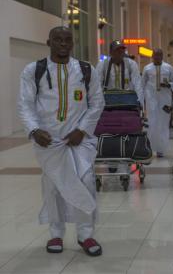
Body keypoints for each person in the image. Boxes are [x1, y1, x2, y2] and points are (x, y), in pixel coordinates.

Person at [17, 26, 104, 256]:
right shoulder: (33, 70)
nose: (63, 43)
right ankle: (56, 233)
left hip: (79, 141)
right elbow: (25, 104)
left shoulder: (86, 70)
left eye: (68, 40)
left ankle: (86, 234)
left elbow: (97, 103)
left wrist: (83, 130)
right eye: (58, 39)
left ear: (72, 43)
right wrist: (35, 130)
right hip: (49, 141)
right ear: (49, 42)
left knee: (85, 181)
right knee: (53, 187)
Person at [141, 48, 173, 158]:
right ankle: (150, 147)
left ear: (162, 56)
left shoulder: (168, 68)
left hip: (165, 99)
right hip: (151, 99)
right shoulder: (147, 68)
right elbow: (142, 85)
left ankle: (161, 149)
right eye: (155, 55)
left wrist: (168, 84)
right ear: (152, 56)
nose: (157, 57)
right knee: (152, 123)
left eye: (159, 55)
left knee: (164, 123)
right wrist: (141, 101)